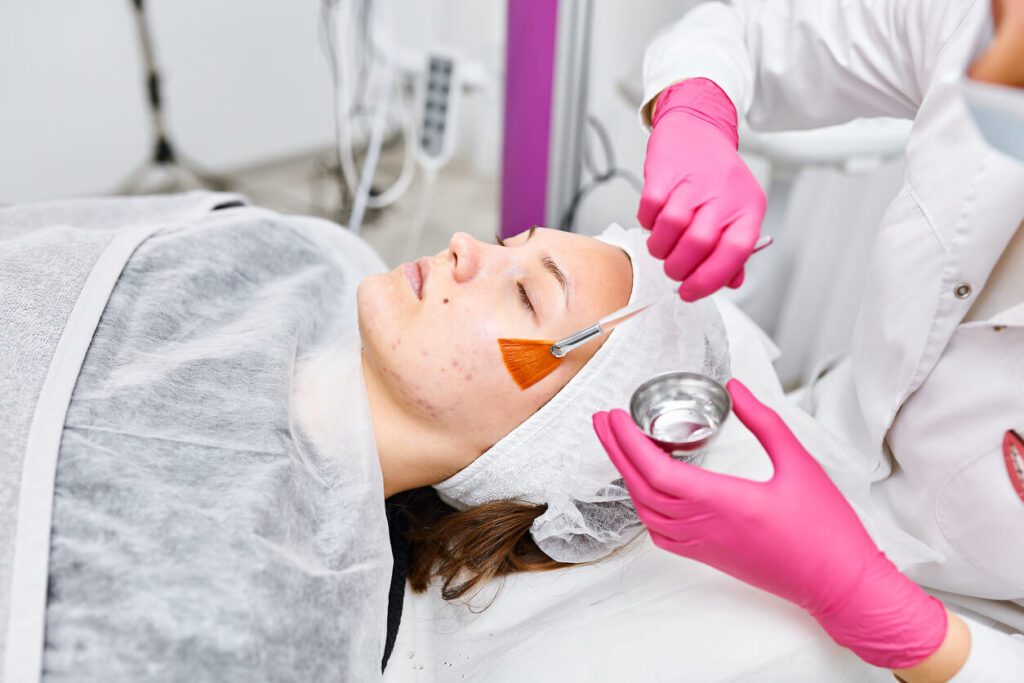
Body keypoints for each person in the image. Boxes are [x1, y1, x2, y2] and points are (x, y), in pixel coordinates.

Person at [595, 0, 1024, 680]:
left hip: (970, 631)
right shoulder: (986, 26)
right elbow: (739, 30)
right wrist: (698, 111)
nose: (986, 62)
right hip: (817, 444)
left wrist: (887, 613)